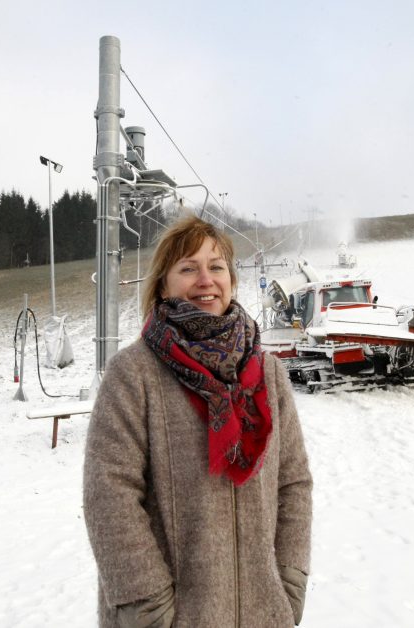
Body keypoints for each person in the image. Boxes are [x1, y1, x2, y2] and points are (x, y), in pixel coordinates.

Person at [83, 215, 313, 627]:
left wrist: (290, 583)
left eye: (216, 266)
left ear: (231, 280)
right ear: (163, 284)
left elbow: (293, 484)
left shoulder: (268, 374)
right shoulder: (134, 374)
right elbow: (110, 496)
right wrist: (148, 607)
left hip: (265, 614)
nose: (205, 279)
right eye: (188, 268)